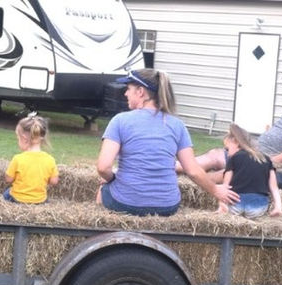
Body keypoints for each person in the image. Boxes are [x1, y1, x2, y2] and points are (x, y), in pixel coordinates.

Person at [96, 69, 231, 217]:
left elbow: (103, 167)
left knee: (103, 185)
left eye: (128, 89)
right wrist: (217, 191)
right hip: (167, 206)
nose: (125, 94)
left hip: (125, 203)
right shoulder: (177, 125)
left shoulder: (120, 121)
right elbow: (193, 170)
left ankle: (100, 222)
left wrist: (112, 179)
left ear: (140, 92)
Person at [188, 71, 282, 194]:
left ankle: (194, 181)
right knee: (216, 155)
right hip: (259, 157)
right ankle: (180, 167)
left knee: (236, 170)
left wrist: (263, 164)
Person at [217, 123, 282, 218]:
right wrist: (278, 207)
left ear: (236, 141)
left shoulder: (234, 158)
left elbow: (225, 186)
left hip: (236, 204)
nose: (227, 154)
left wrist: (221, 205)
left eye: (227, 149)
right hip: (258, 207)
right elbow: (274, 187)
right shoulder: (266, 159)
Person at [4, 114, 60, 204]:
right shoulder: (50, 160)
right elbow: (54, 181)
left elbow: (8, 179)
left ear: (24, 138)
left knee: (7, 193)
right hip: (40, 201)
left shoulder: (17, 159)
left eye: (18, 138)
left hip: (18, 199)